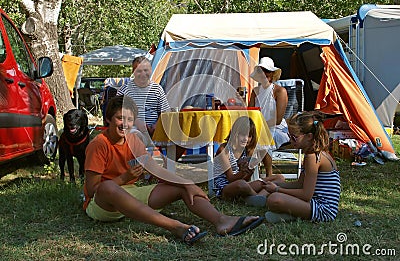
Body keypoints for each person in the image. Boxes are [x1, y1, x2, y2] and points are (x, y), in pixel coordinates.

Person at [83, 96, 265, 245]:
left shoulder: (133, 141)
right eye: (120, 118)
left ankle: (221, 220)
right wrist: (124, 178)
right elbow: (93, 190)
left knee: (181, 186)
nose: (125, 124)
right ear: (108, 119)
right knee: (108, 187)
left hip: (128, 195)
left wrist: (187, 183)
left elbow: (156, 170)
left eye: (129, 119)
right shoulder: (99, 144)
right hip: (102, 204)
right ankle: (176, 227)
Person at [262, 111, 341, 223]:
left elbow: (306, 195)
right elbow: (299, 184)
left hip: (323, 210)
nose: (290, 140)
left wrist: (277, 189)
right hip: (316, 204)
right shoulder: (314, 153)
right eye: (290, 136)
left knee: (275, 199)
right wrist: (276, 184)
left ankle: (293, 216)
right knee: (274, 196)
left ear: (309, 137)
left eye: (294, 137)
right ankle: (291, 213)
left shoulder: (312, 157)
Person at [213, 116, 284, 207]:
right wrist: (243, 172)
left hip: (243, 186)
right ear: (235, 133)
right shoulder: (224, 150)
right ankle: (257, 197)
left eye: (249, 136)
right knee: (241, 184)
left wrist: (264, 173)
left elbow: (264, 153)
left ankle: (257, 198)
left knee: (279, 178)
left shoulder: (246, 150)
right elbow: (231, 178)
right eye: (243, 135)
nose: (246, 139)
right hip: (225, 189)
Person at [117, 56, 170, 140]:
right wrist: (136, 122)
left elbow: (165, 112)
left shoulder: (157, 89)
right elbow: (117, 112)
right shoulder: (125, 90)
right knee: (135, 134)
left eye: (145, 70)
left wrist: (156, 126)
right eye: (139, 71)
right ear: (133, 72)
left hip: (154, 130)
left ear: (150, 71)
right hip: (132, 128)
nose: (143, 74)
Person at [248, 57, 290, 149]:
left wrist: (258, 128)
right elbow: (250, 114)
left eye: (267, 71)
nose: (264, 74)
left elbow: (277, 120)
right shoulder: (255, 91)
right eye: (261, 71)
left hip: (276, 129)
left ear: (272, 73)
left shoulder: (280, 91)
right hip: (258, 128)